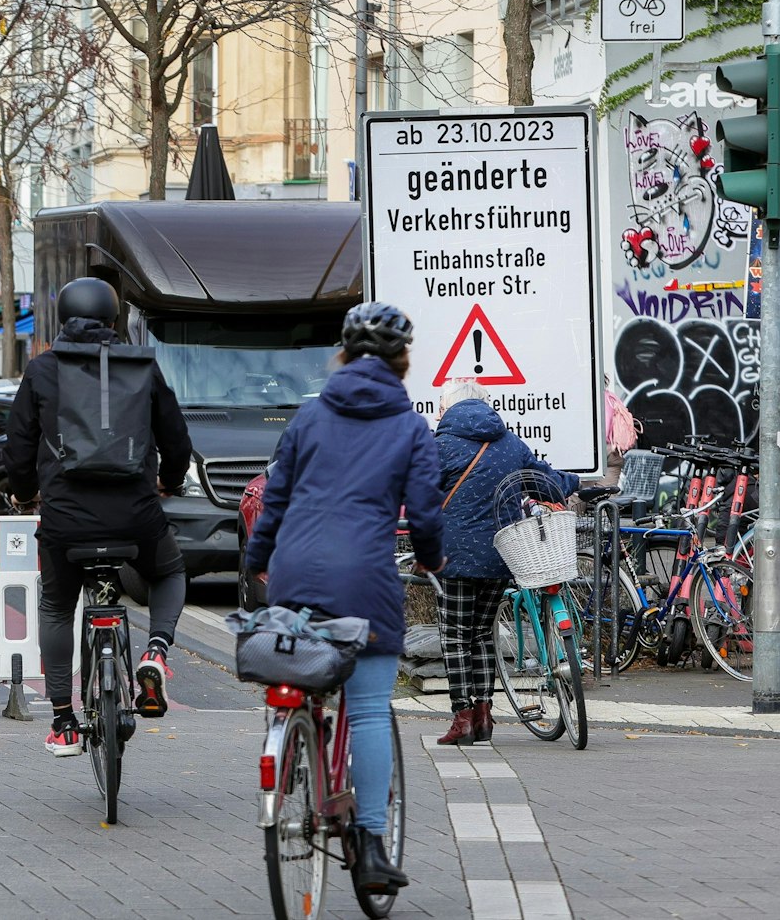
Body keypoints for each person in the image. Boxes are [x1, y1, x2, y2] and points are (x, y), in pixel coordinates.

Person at [244, 302, 444, 894]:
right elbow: (427, 512)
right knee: (370, 709)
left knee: (301, 676)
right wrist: (433, 559)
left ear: (344, 355)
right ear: (402, 360)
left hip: (295, 575)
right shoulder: (409, 426)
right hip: (365, 582)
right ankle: (370, 847)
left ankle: (292, 745)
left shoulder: (308, 418)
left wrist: (258, 563)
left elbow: (273, 498)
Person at [5, 277, 193, 758]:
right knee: (169, 571)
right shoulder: (142, 368)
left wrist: (26, 495)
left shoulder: (43, 371)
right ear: (113, 320)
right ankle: (155, 651)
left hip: (66, 519)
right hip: (135, 514)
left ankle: (64, 722)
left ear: (62, 318)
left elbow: (19, 449)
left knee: (55, 607)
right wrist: (169, 481)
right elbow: (176, 440)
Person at [430, 378, 579, 746]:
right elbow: (544, 483)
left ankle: (462, 717)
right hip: (502, 551)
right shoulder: (510, 444)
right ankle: (483, 715)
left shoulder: (442, 445)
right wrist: (576, 480)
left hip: (455, 555)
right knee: (482, 634)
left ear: (449, 408)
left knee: (455, 637)